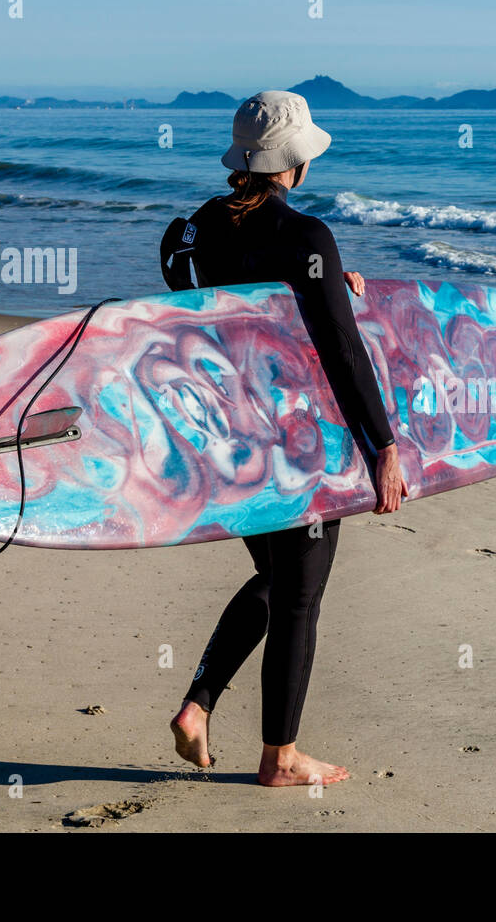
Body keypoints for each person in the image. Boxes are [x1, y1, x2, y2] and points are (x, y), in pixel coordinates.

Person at [166, 91, 407, 787]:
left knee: (275, 579)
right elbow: (342, 350)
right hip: (299, 444)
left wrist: (332, 282)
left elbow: (204, 304)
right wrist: (383, 446)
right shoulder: (307, 237)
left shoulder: (197, 229)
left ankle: (198, 705)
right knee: (300, 596)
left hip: (227, 436)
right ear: (294, 163)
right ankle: (280, 758)